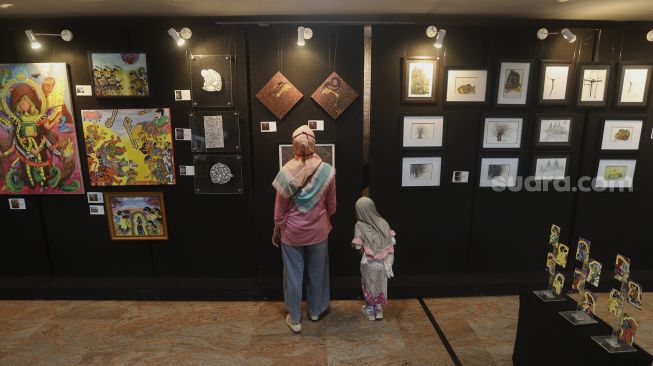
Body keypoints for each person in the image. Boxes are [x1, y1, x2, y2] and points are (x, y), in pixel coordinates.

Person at [272, 125, 336, 334]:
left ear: (293, 145)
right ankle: (316, 311)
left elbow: (280, 210)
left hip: (292, 233)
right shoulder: (327, 170)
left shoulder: (286, 171)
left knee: (293, 275)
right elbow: (332, 205)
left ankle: (295, 318)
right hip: (318, 231)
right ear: (313, 143)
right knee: (317, 272)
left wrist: (278, 228)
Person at [352, 197, 396, 321]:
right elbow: (392, 241)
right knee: (380, 284)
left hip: (369, 262)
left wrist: (363, 253)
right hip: (384, 262)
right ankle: (379, 309)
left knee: (368, 284)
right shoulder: (383, 222)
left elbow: (357, 246)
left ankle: (370, 310)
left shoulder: (359, 225)